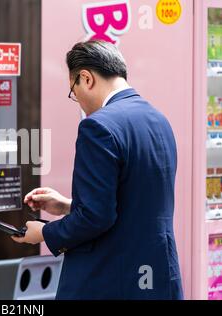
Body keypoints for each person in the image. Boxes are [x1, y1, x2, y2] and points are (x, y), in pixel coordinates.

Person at [12, 40, 183, 300]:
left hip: (111, 277)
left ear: (86, 78)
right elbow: (135, 202)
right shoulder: (159, 120)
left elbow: (96, 218)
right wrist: (68, 205)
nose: (77, 100)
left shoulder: (98, 127)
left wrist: (45, 233)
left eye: (73, 91)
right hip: (158, 274)